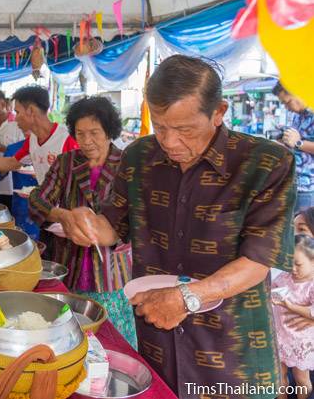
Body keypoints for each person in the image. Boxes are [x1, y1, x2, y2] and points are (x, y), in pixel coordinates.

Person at [62, 55, 296, 398]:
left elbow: (258, 261)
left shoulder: (265, 163)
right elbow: (113, 227)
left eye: (185, 130)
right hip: (159, 338)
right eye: (160, 126)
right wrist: (83, 223)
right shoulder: (139, 156)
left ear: (219, 112)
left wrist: (187, 298)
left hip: (232, 347)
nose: (169, 142)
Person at [28, 96, 135, 348]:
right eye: (80, 133)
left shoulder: (128, 165)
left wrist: (108, 231)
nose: (86, 141)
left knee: (114, 343)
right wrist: (62, 215)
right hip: (69, 267)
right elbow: (36, 200)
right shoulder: (66, 164)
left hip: (113, 273)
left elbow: (137, 219)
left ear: (110, 131)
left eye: (94, 133)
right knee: (69, 342)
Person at [0, 85, 78, 185]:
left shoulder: (67, 139)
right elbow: (11, 162)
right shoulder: (33, 140)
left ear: (31, 111)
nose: (16, 118)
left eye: (17, 112)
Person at [272, 235, 314, 399]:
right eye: (289, 263)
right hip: (280, 337)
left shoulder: (311, 285)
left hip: (300, 342)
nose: (293, 269)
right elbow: (272, 291)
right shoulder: (284, 277)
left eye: (298, 264)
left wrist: (289, 306)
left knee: (301, 379)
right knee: (279, 377)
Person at [273, 82, 314, 212]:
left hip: (307, 187)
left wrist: (298, 143)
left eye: (287, 102)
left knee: (303, 228)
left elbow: (298, 142)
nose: (287, 107)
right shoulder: (298, 116)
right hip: (290, 182)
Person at [0, 137, 39, 240]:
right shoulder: (14, 148)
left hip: (51, 206)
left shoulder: (53, 147)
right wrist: (9, 165)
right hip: (23, 206)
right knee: (26, 242)